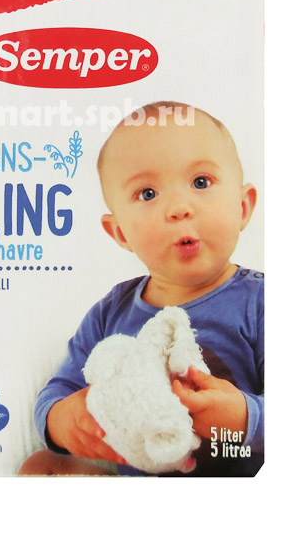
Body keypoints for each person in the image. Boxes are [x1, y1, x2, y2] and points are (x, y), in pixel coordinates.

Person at [19, 102, 264, 476]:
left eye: (201, 182)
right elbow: (59, 389)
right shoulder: (110, 313)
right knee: (41, 465)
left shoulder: (260, 302)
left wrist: (245, 417)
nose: (178, 208)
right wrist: (60, 420)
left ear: (243, 207)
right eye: (148, 193)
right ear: (120, 232)